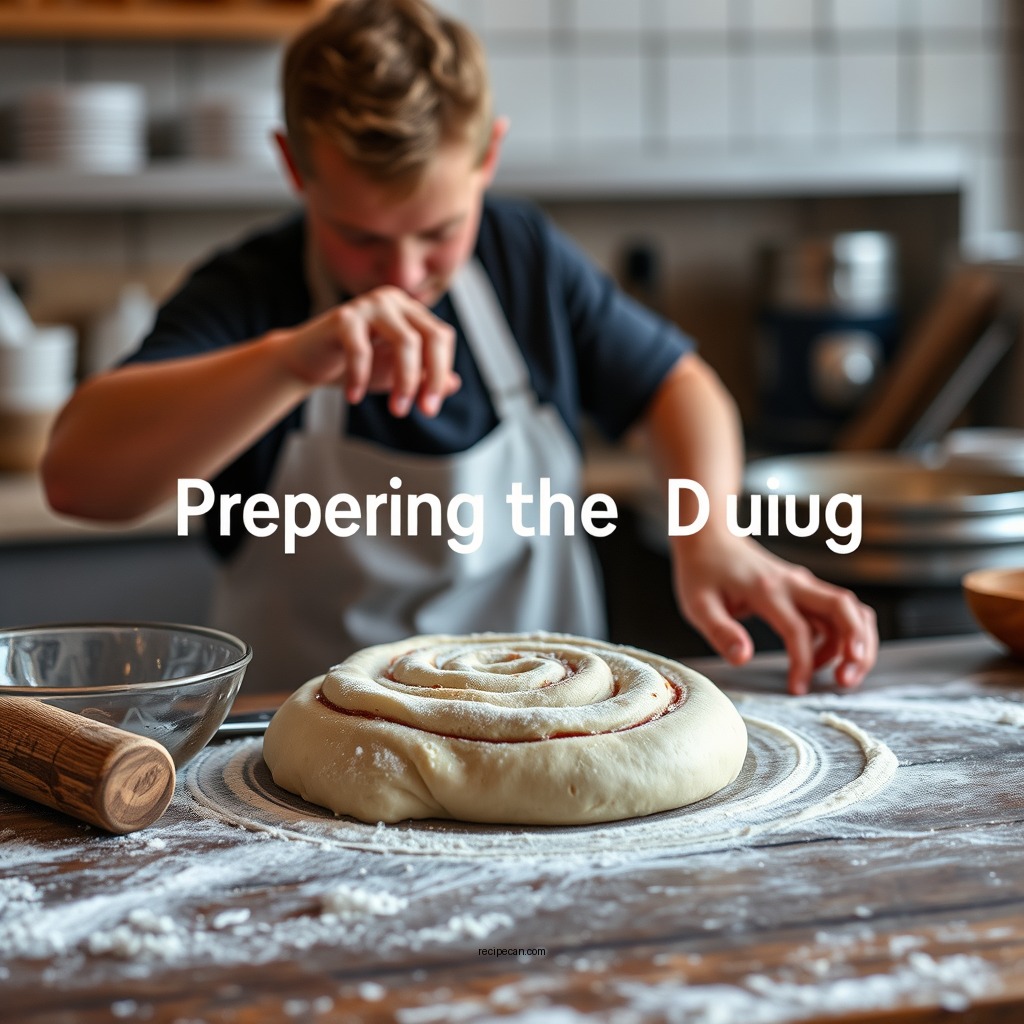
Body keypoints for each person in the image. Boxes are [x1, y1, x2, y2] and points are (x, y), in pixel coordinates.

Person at [42, 0, 877, 695]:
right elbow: (79, 478)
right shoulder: (248, 293)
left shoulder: (523, 259)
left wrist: (712, 537)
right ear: (295, 167)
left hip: (551, 737)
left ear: (489, 157)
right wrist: (297, 358)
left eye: (438, 233)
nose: (403, 273)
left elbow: (678, 387)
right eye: (361, 238)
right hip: (302, 766)